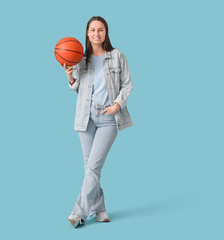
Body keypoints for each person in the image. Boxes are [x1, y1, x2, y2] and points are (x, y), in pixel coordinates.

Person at [62, 16, 133, 228]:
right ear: (87, 33)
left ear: (106, 32)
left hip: (109, 117)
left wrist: (117, 106)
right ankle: (99, 209)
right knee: (90, 168)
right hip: (86, 117)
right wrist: (71, 79)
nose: (96, 34)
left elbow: (127, 85)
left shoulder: (117, 55)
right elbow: (79, 91)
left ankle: (78, 213)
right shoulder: (81, 58)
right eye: (92, 30)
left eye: (100, 30)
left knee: (93, 166)